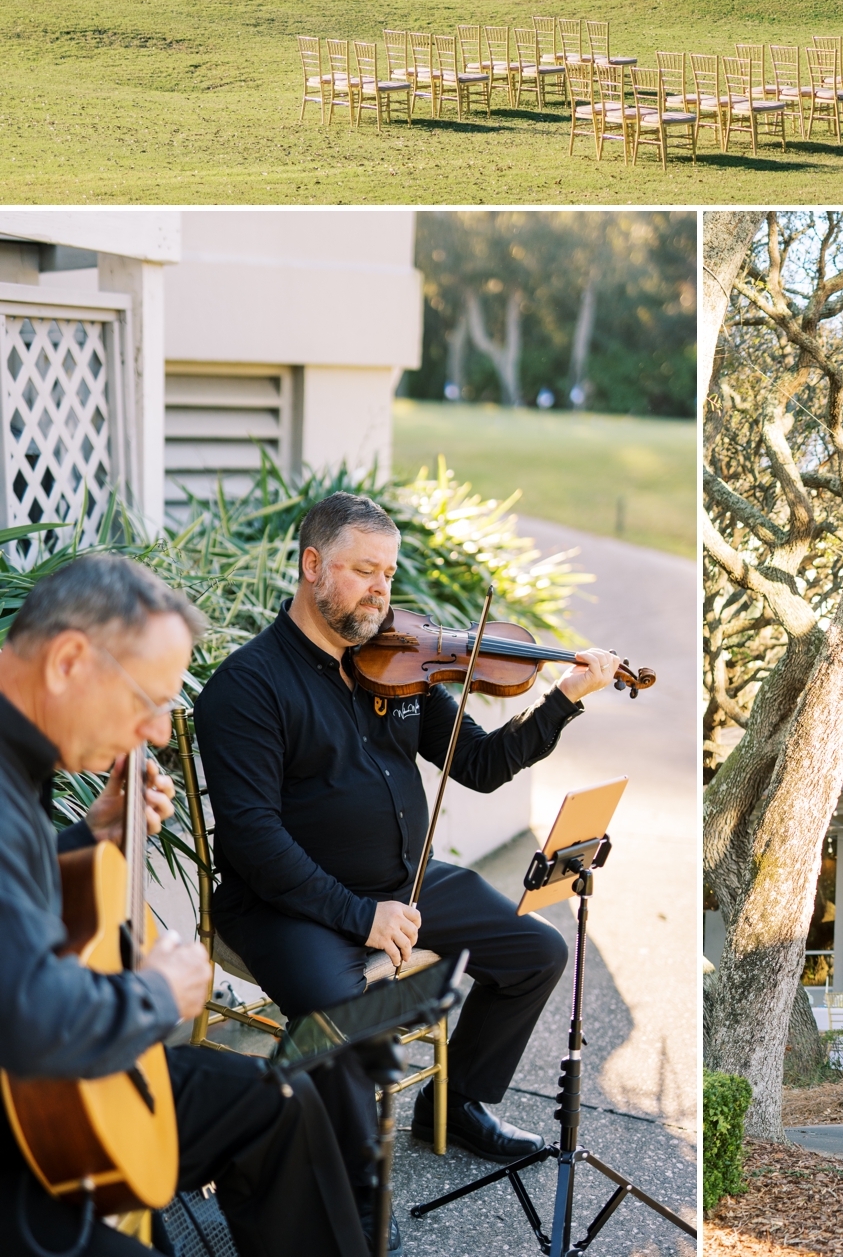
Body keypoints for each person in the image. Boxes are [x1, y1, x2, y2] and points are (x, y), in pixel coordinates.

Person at [195, 491, 624, 1240]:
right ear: (311, 567)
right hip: (284, 906)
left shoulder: (397, 668)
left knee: (536, 951)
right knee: (348, 1011)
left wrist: (563, 698)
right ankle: (352, 1190)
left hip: (404, 886)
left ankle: (456, 1107)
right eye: (363, 571)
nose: (381, 591)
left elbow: (484, 764)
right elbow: (257, 842)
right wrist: (363, 916)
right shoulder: (247, 688)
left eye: (388, 574)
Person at [0, 553, 366, 1257]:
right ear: (69, 662)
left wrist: (92, 835)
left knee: (276, 1104)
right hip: (26, 1115)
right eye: (149, 700)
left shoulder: (22, 759)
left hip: (51, 1071)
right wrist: (158, 993)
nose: (162, 733)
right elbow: (27, 1023)